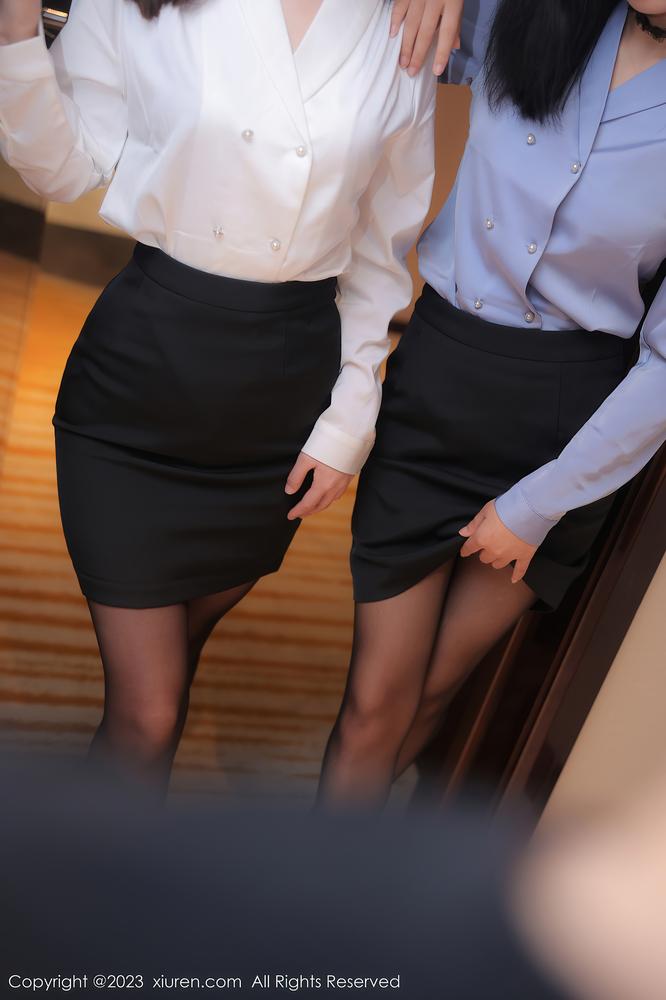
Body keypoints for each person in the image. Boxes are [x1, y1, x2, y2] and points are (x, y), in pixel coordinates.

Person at [0, 0, 448, 797]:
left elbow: (380, 255)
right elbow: (60, 169)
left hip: (275, 413)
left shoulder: (400, 22)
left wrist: (349, 418)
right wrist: (14, 34)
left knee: (167, 673)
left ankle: (106, 852)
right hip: (137, 391)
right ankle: (87, 874)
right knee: (149, 710)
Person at [319, 0, 666, 807]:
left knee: (434, 693)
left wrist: (540, 505)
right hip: (440, 384)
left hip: (569, 437)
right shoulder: (525, 14)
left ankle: (338, 876)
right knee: (375, 704)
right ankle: (306, 884)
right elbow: (390, 24)